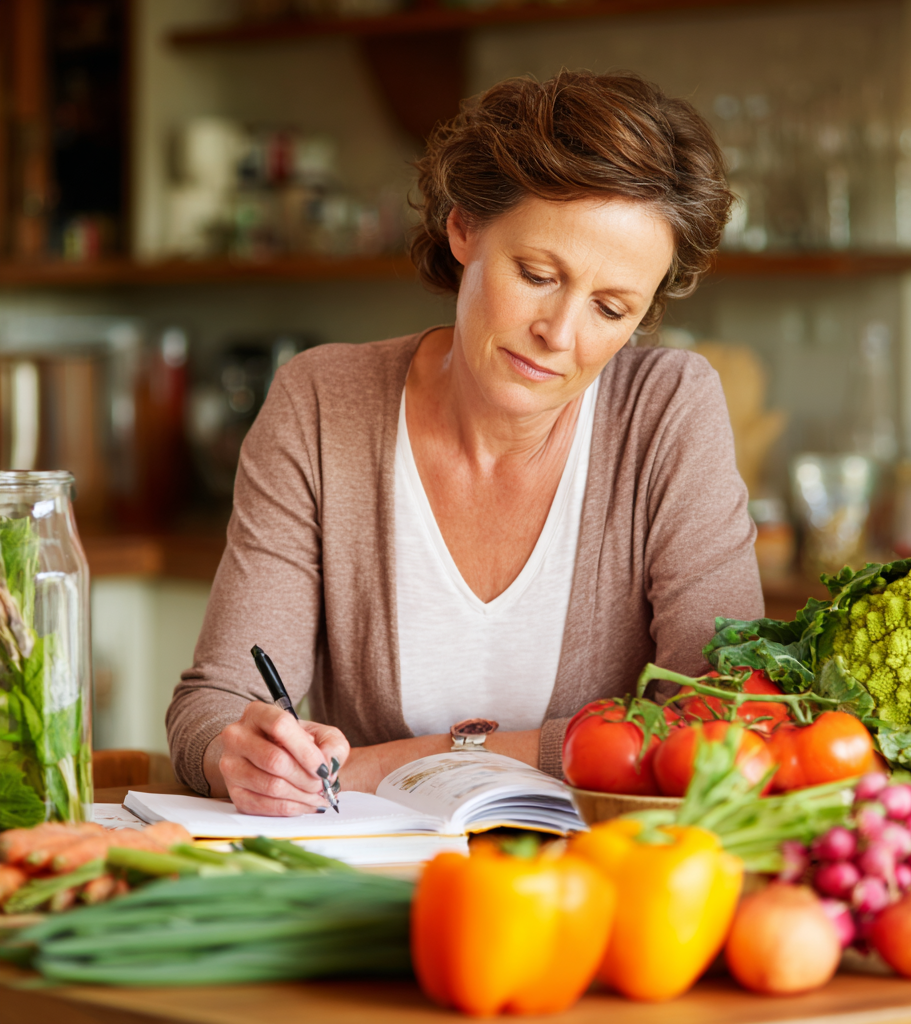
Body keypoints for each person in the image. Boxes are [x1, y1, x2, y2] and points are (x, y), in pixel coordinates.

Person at [166, 70, 764, 815]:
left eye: (612, 309)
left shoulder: (666, 409)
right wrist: (239, 754)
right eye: (538, 274)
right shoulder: (322, 404)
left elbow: (719, 713)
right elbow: (213, 703)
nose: (561, 335)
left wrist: (391, 764)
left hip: (603, 888)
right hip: (368, 882)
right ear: (463, 229)